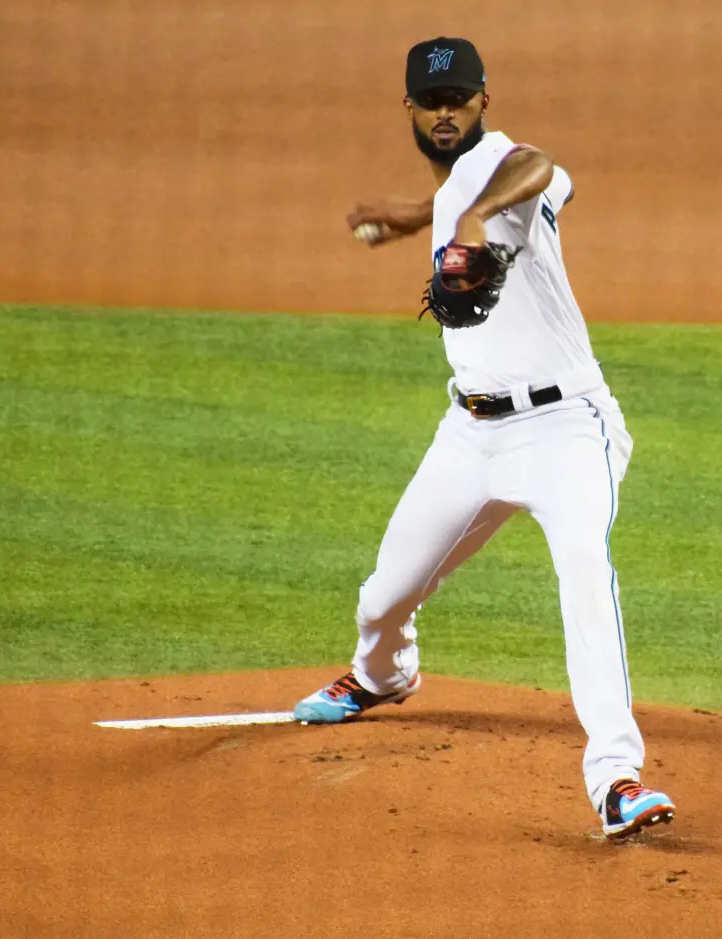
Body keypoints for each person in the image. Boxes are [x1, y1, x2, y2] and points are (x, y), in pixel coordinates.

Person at [292, 37, 674, 840]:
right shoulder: (453, 188)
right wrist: (415, 216)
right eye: (432, 101)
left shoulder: (506, 166)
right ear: (408, 107)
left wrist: (466, 216)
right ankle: (382, 675)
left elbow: (542, 166)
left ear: (483, 101)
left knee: (585, 575)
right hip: (469, 435)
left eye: (459, 99)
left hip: (566, 428)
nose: (445, 112)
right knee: (383, 597)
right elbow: (451, 196)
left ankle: (617, 778)